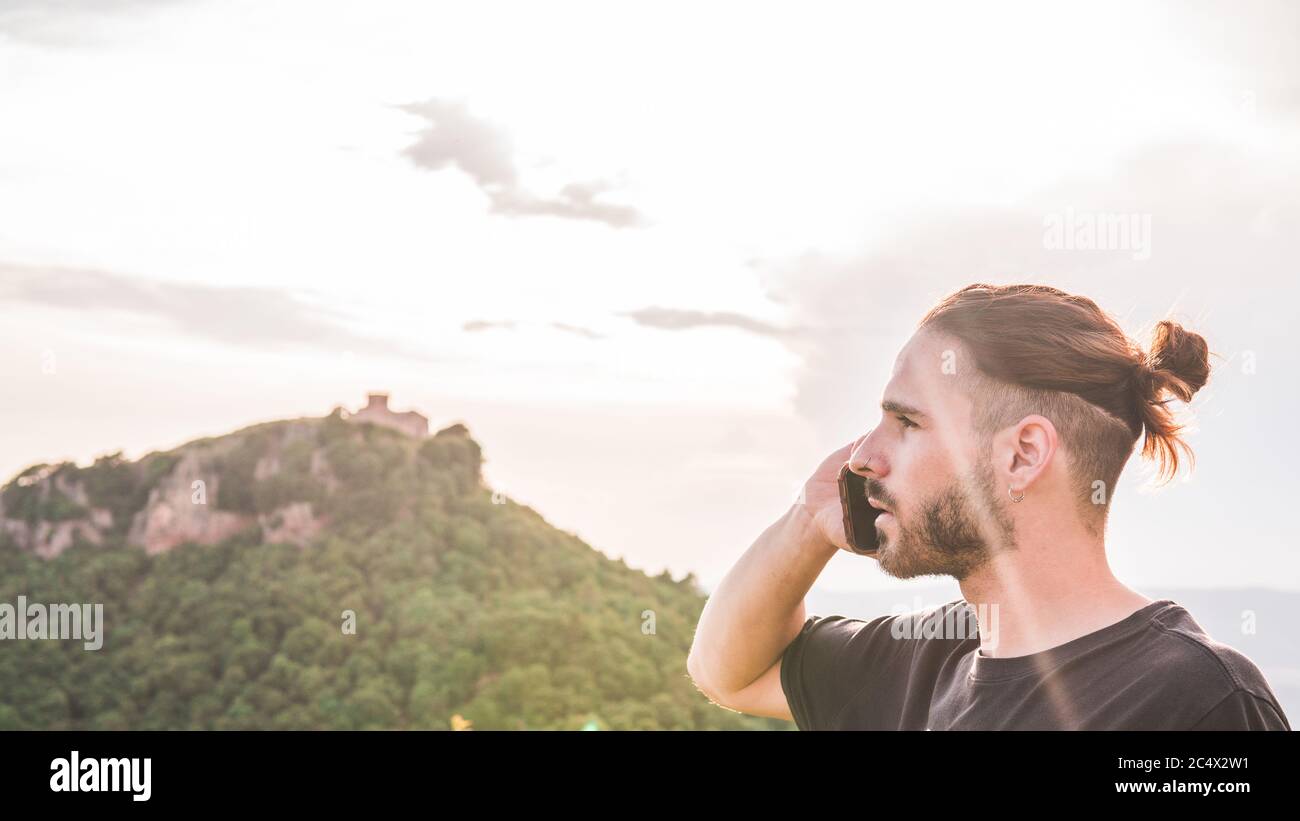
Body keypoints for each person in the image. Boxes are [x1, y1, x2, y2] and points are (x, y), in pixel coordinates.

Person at [686, 283, 1290, 730]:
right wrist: (809, 520)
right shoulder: (923, 658)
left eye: (906, 421)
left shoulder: (1198, 702)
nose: (862, 456)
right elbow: (729, 672)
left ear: (1023, 455)